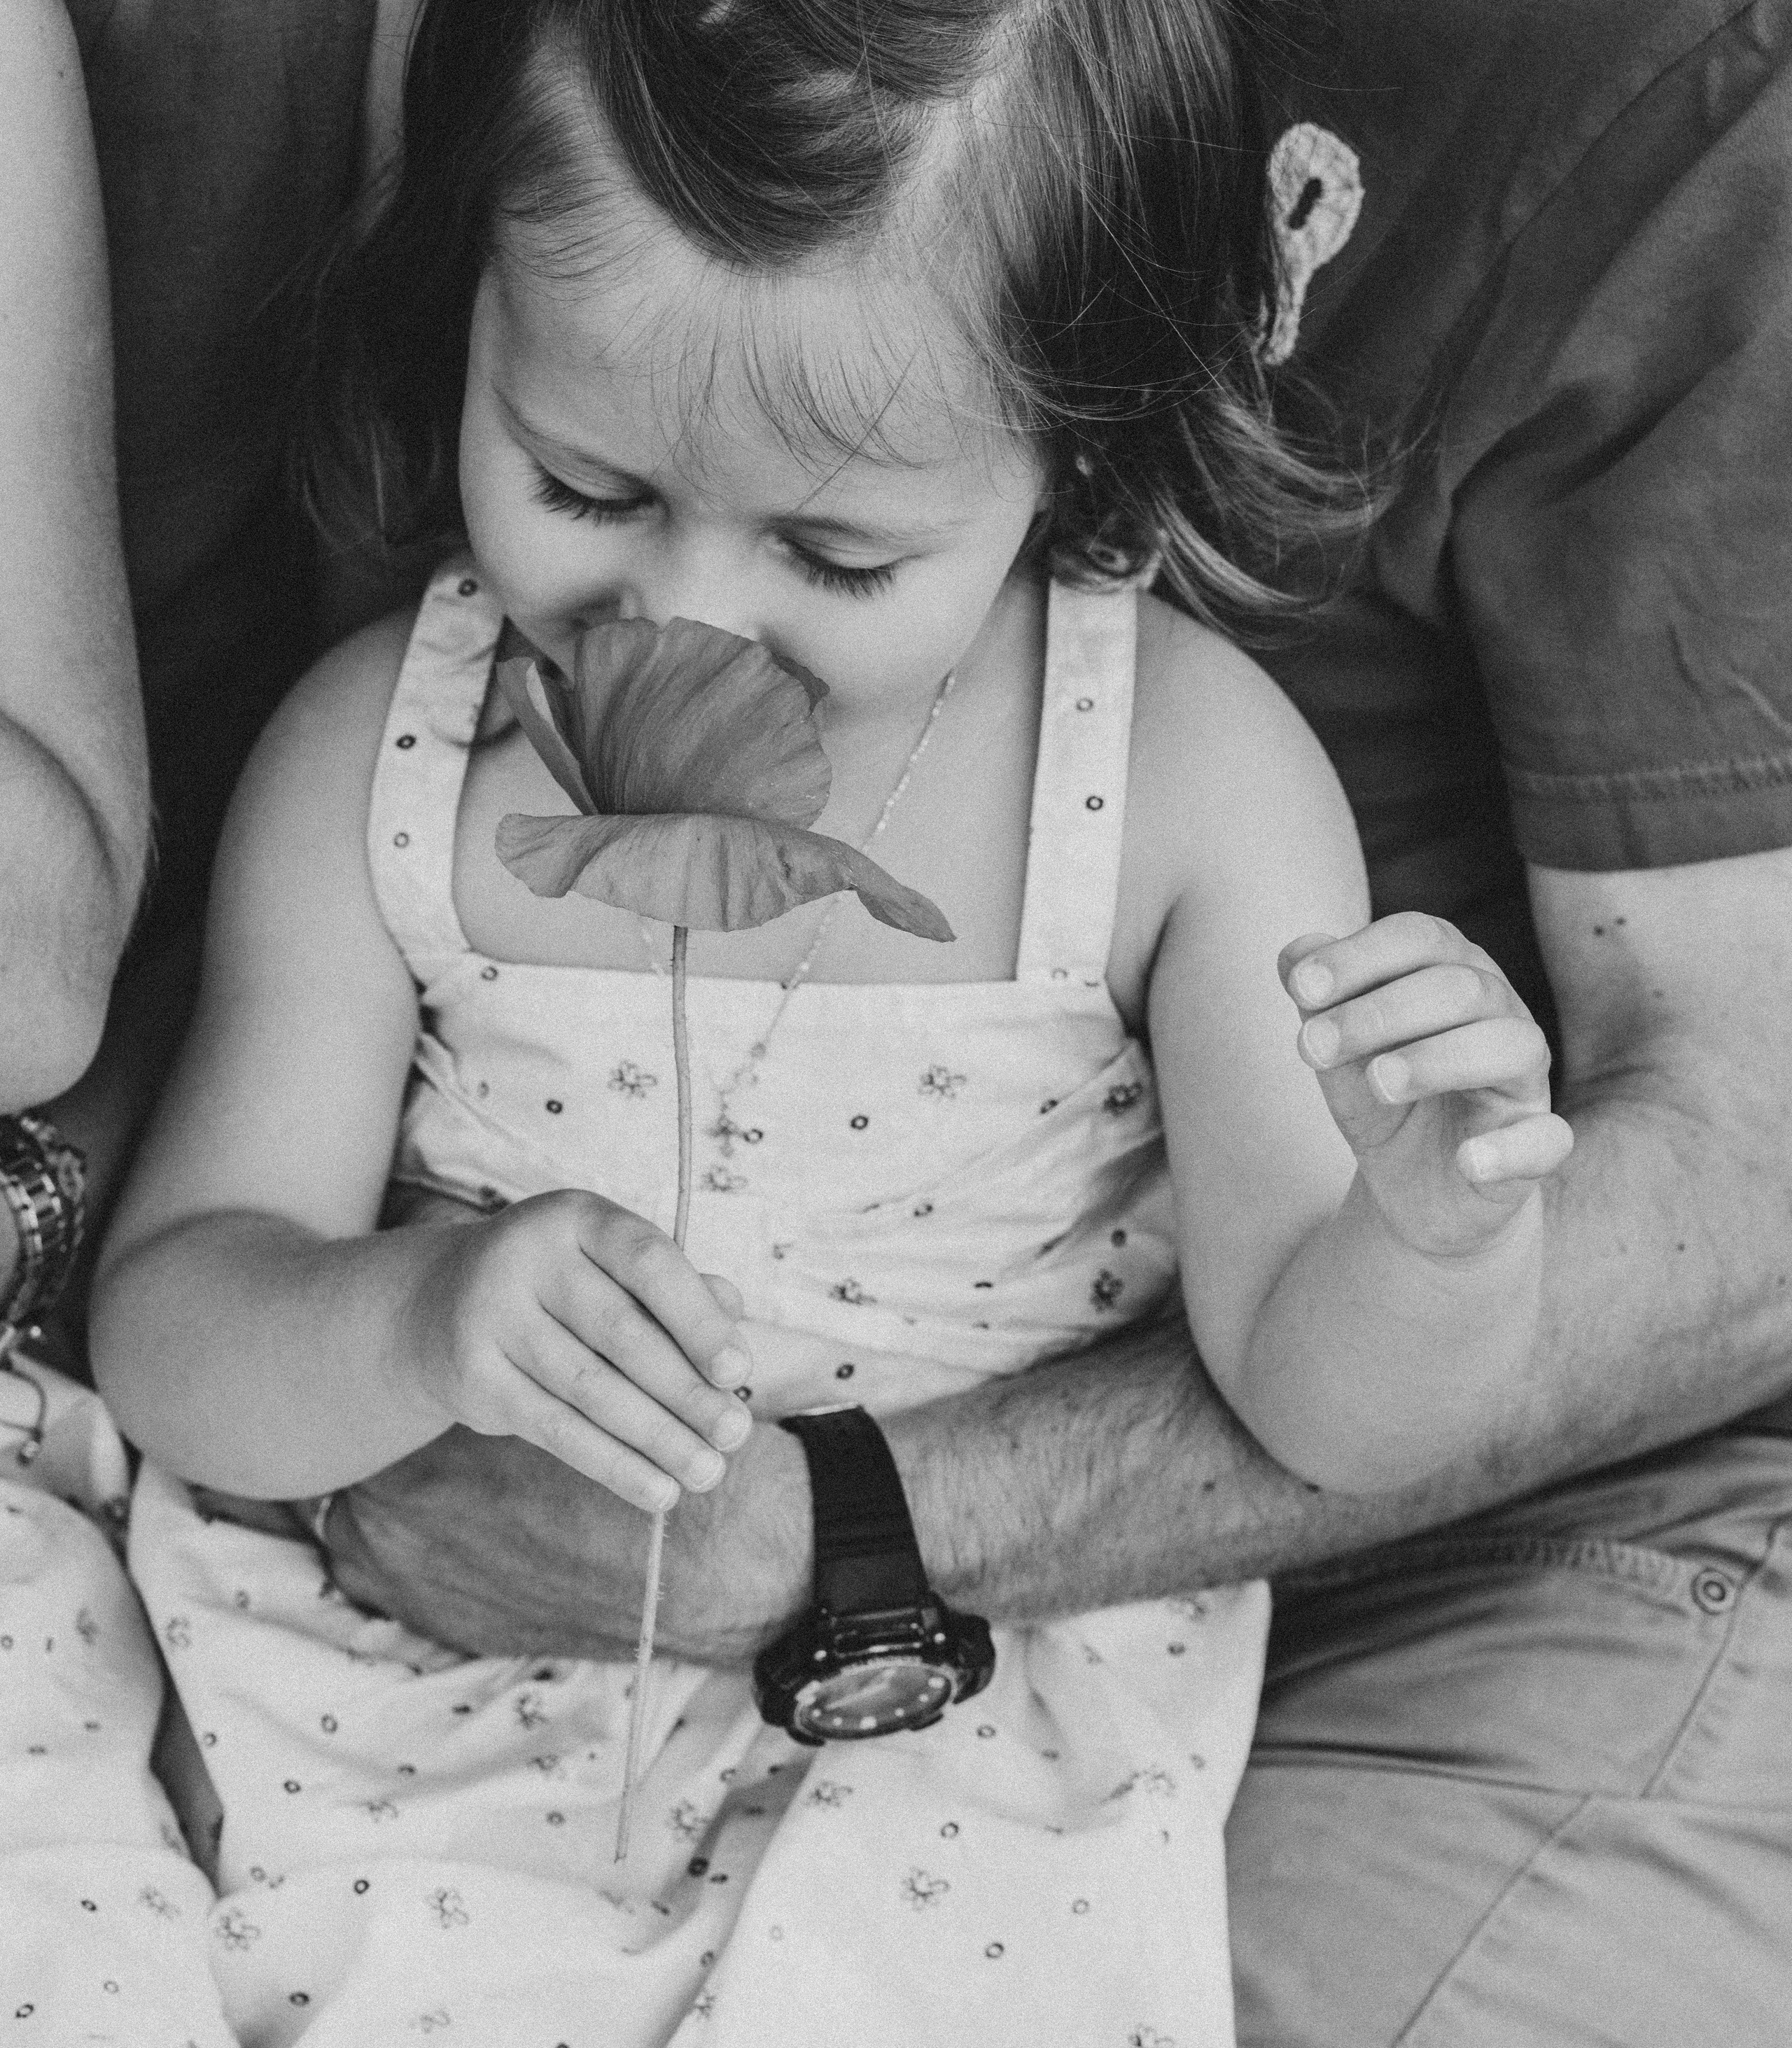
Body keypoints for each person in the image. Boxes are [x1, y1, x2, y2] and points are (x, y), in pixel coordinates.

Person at [255, 3, 1792, 2045]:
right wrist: (413, 1321)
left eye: (831, 549)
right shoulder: (393, 745)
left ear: (1086, 455)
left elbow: (1336, 1398)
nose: (690, 619)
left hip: (992, 1736)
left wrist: (1443, 1236)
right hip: (388, 1707)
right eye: (582, 481)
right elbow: (193, 1307)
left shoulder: (1180, 779)